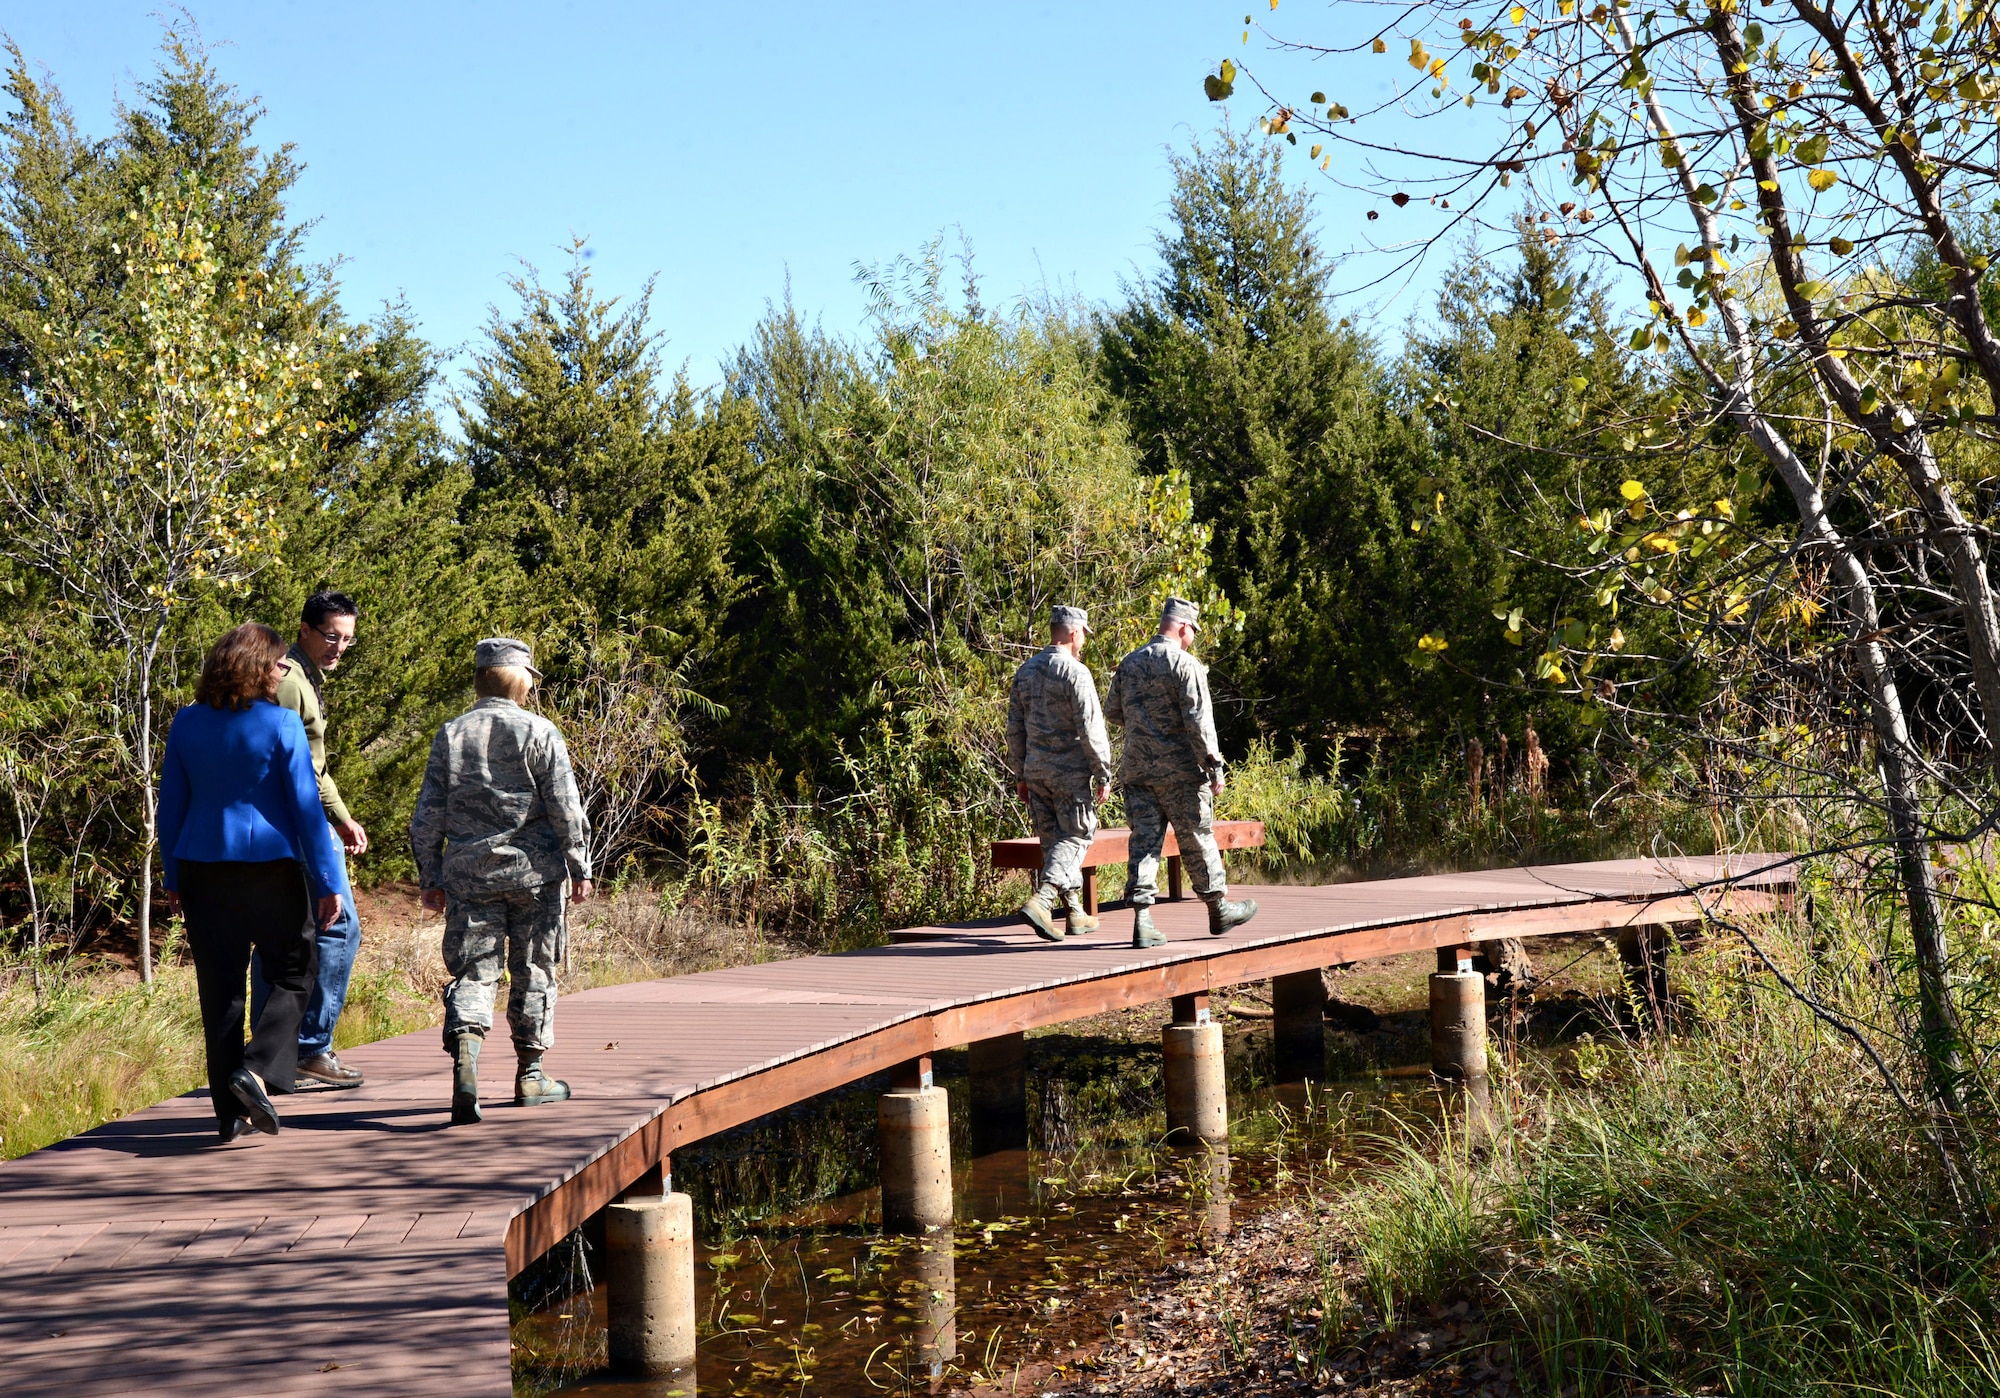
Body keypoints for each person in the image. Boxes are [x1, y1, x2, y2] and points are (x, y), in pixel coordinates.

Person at [157, 623, 349, 1141]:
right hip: (270, 870)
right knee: (295, 969)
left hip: (202, 870)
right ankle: (257, 1067)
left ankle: (229, 1114)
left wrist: (173, 876)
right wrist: (328, 880)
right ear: (255, 666)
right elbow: (307, 811)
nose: (283, 669)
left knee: (218, 991)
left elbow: (170, 807)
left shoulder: (186, 723)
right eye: (277, 662)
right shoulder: (281, 724)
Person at [410, 638, 593, 1126]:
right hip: (535, 876)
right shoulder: (540, 731)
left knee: (474, 971)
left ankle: (466, 1061)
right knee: (535, 967)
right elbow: (565, 807)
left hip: (469, 875)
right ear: (519, 678)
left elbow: (428, 814)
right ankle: (531, 1075)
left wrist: (430, 873)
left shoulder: (451, 734)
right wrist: (580, 866)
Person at [250, 590, 368, 1089]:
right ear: (304, 630)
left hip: (301, 821)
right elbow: (298, 768)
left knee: (284, 936)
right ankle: (309, 1048)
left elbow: (315, 763)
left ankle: (275, 1053)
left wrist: (342, 817)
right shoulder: (291, 682)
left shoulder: (302, 676)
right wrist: (329, 821)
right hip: (297, 824)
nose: (339, 646)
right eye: (331, 636)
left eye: (347, 639)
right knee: (338, 927)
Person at [1106, 597, 1258, 949]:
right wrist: (1214, 765)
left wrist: (1146, 724)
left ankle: (1143, 921)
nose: (1193, 639)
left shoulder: (1129, 664)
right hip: (1183, 773)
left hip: (1139, 771)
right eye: (1193, 632)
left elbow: (1113, 711)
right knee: (1197, 839)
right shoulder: (1186, 665)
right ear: (1183, 627)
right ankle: (1219, 910)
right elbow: (1198, 722)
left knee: (1143, 844)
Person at [1005, 604, 1113, 941]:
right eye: (1082, 634)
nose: (1083, 641)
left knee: (1053, 842)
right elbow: (1091, 728)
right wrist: (1103, 772)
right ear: (1072, 632)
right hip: (1069, 773)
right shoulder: (1076, 673)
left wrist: (1021, 773)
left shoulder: (1025, 672)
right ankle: (1044, 899)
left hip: (1036, 771)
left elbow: (1014, 729)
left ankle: (1076, 913)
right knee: (1077, 835)